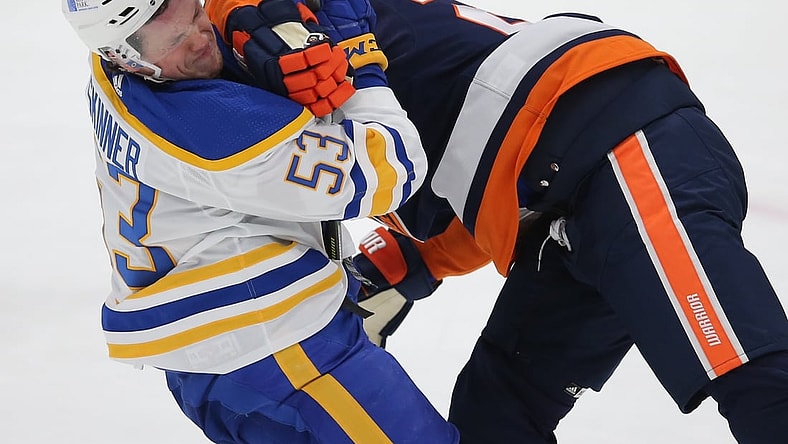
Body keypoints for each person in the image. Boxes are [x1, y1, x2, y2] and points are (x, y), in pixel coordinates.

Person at [284, 0, 787, 442]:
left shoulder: (307, 34)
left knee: (749, 373)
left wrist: (233, 14)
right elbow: (483, 174)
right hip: (562, 201)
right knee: (496, 413)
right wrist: (410, 258)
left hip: (622, 147)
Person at [61, 0, 460, 442]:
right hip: (277, 351)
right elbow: (394, 169)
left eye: (195, 15)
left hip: (210, 358)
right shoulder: (221, 134)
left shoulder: (112, 67)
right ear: (124, 55)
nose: (200, 38)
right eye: (177, 41)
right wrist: (360, 60)